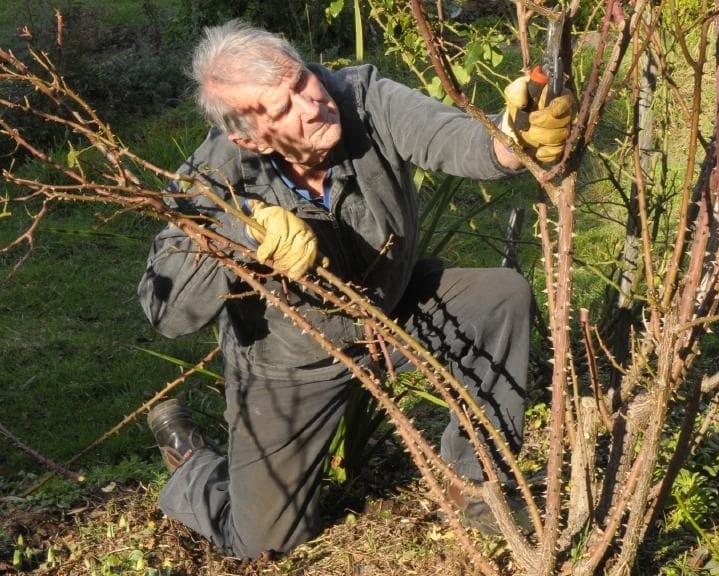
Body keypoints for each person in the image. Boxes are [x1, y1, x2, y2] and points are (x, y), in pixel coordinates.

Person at [138, 19, 572, 559]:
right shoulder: (214, 177)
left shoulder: (361, 97)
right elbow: (167, 312)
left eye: (301, 81)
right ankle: (191, 461)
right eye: (284, 107)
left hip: (392, 312)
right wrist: (242, 230)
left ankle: (477, 485)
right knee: (263, 544)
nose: (312, 102)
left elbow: (451, 137)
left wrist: (511, 139)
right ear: (248, 137)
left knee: (498, 297)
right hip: (292, 364)